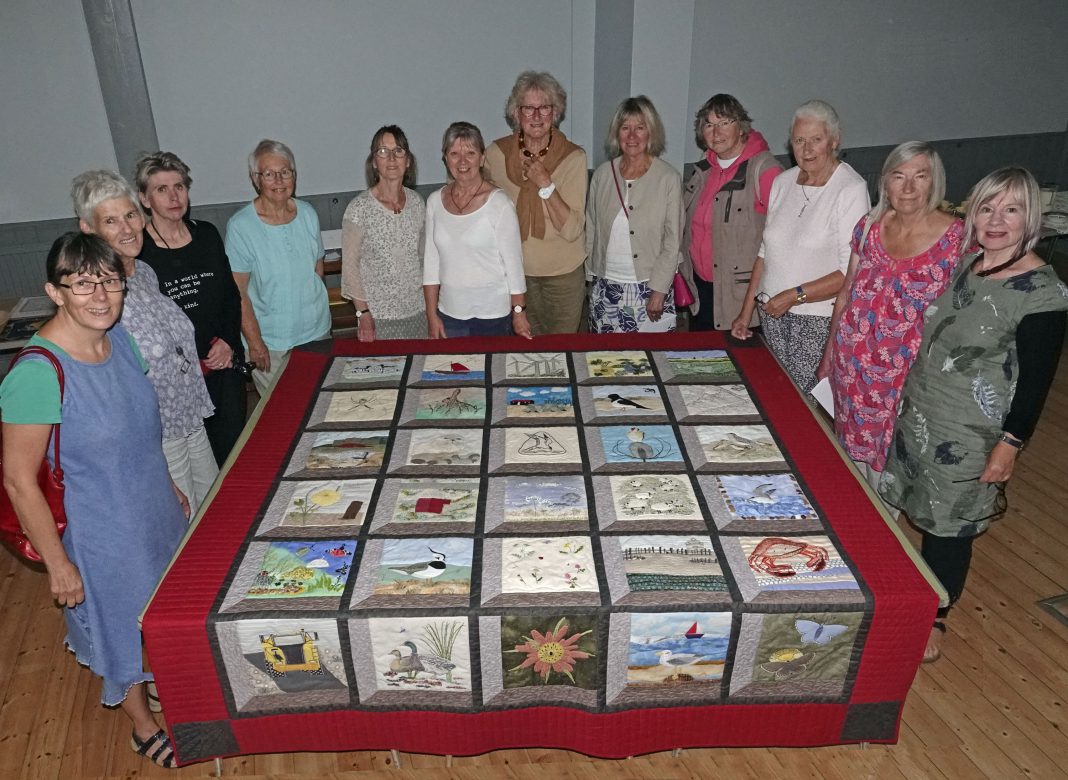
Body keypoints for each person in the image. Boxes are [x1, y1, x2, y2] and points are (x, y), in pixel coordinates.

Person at [0, 233, 189, 768]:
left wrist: (169, 483)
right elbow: (18, 481)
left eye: (109, 281)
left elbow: (138, 426)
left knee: (159, 608)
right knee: (117, 626)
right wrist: (59, 564)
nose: (101, 295)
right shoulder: (38, 373)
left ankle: (159, 682)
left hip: (151, 507)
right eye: (83, 284)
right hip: (100, 531)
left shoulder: (119, 339)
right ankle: (142, 727)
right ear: (55, 292)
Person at [880, 167, 1067, 663]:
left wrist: (1010, 445)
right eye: (987, 208)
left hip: (971, 434)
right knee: (920, 508)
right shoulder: (970, 264)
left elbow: (1035, 384)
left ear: (1031, 218)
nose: (996, 220)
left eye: (1011, 210)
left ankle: (936, 616)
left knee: (949, 527)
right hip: (924, 413)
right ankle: (911, 591)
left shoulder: (1042, 294)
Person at [816, 142, 963, 486]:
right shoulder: (868, 226)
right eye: (899, 176)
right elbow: (846, 294)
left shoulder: (957, 238)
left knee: (893, 471)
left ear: (935, 181)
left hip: (908, 377)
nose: (908, 187)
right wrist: (829, 353)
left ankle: (885, 520)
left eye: (920, 176)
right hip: (853, 370)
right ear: (885, 181)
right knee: (853, 466)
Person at [72, 170, 217, 515]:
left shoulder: (145, 272)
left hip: (190, 416)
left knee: (215, 509)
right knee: (183, 523)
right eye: (111, 221)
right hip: (156, 433)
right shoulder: (97, 294)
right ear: (88, 228)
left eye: (130, 215)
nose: (127, 229)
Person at [732, 100, 871, 392]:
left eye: (816, 140)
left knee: (804, 403)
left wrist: (794, 296)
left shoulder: (850, 189)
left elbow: (851, 273)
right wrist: (746, 313)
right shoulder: (783, 182)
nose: (807, 149)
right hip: (772, 313)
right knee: (774, 394)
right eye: (799, 140)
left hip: (817, 322)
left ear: (834, 140)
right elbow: (764, 254)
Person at [134, 151, 247, 466]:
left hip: (222, 364)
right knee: (196, 464)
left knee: (233, 452)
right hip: (177, 380)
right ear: (144, 199)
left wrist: (228, 341)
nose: (174, 197)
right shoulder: (139, 251)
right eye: (162, 189)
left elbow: (230, 296)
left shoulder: (207, 234)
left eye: (179, 187)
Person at [485, 71, 587, 334]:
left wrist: (546, 184)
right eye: (528, 108)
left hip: (563, 275)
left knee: (563, 350)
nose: (537, 116)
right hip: (515, 276)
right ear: (516, 113)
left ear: (556, 112)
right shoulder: (496, 154)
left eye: (545, 108)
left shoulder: (573, 157)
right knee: (526, 350)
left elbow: (572, 229)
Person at [225, 139, 330, 394]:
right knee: (282, 409)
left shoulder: (308, 213)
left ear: (294, 175)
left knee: (318, 402)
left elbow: (317, 270)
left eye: (285, 172)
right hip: (270, 343)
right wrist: (255, 342)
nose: (279, 180)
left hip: (316, 334)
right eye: (269, 174)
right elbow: (237, 292)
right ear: (255, 179)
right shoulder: (241, 226)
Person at [680, 94, 783, 330]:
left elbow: (782, 240)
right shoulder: (703, 171)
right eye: (709, 125)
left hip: (743, 298)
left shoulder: (765, 171)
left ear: (741, 127)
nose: (716, 132)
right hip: (701, 290)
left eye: (725, 123)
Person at [423, 121, 532, 339]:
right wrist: (431, 314)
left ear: (482, 158)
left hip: (493, 316)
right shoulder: (434, 202)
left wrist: (519, 313)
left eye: (470, 153)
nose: (462, 161)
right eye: (454, 154)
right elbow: (431, 263)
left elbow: (514, 265)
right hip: (449, 314)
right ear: (445, 158)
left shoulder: (499, 203)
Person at [586, 95, 682, 333]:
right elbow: (591, 227)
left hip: (649, 288)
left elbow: (673, 241)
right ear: (616, 133)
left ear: (651, 133)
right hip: (605, 286)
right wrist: (590, 277)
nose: (632, 136)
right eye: (625, 128)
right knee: (605, 354)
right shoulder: (602, 175)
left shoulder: (668, 178)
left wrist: (659, 291)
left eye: (640, 128)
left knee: (649, 354)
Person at [340, 125, 427, 341]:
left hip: (419, 313)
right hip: (378, 318)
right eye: (383, 151)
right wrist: (363, 313)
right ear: (373, 162)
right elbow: (350, 267)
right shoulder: (359, 209)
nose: (391, 158)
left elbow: (424, 258)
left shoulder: (417, 203)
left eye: (398, 151)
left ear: (408, 160)